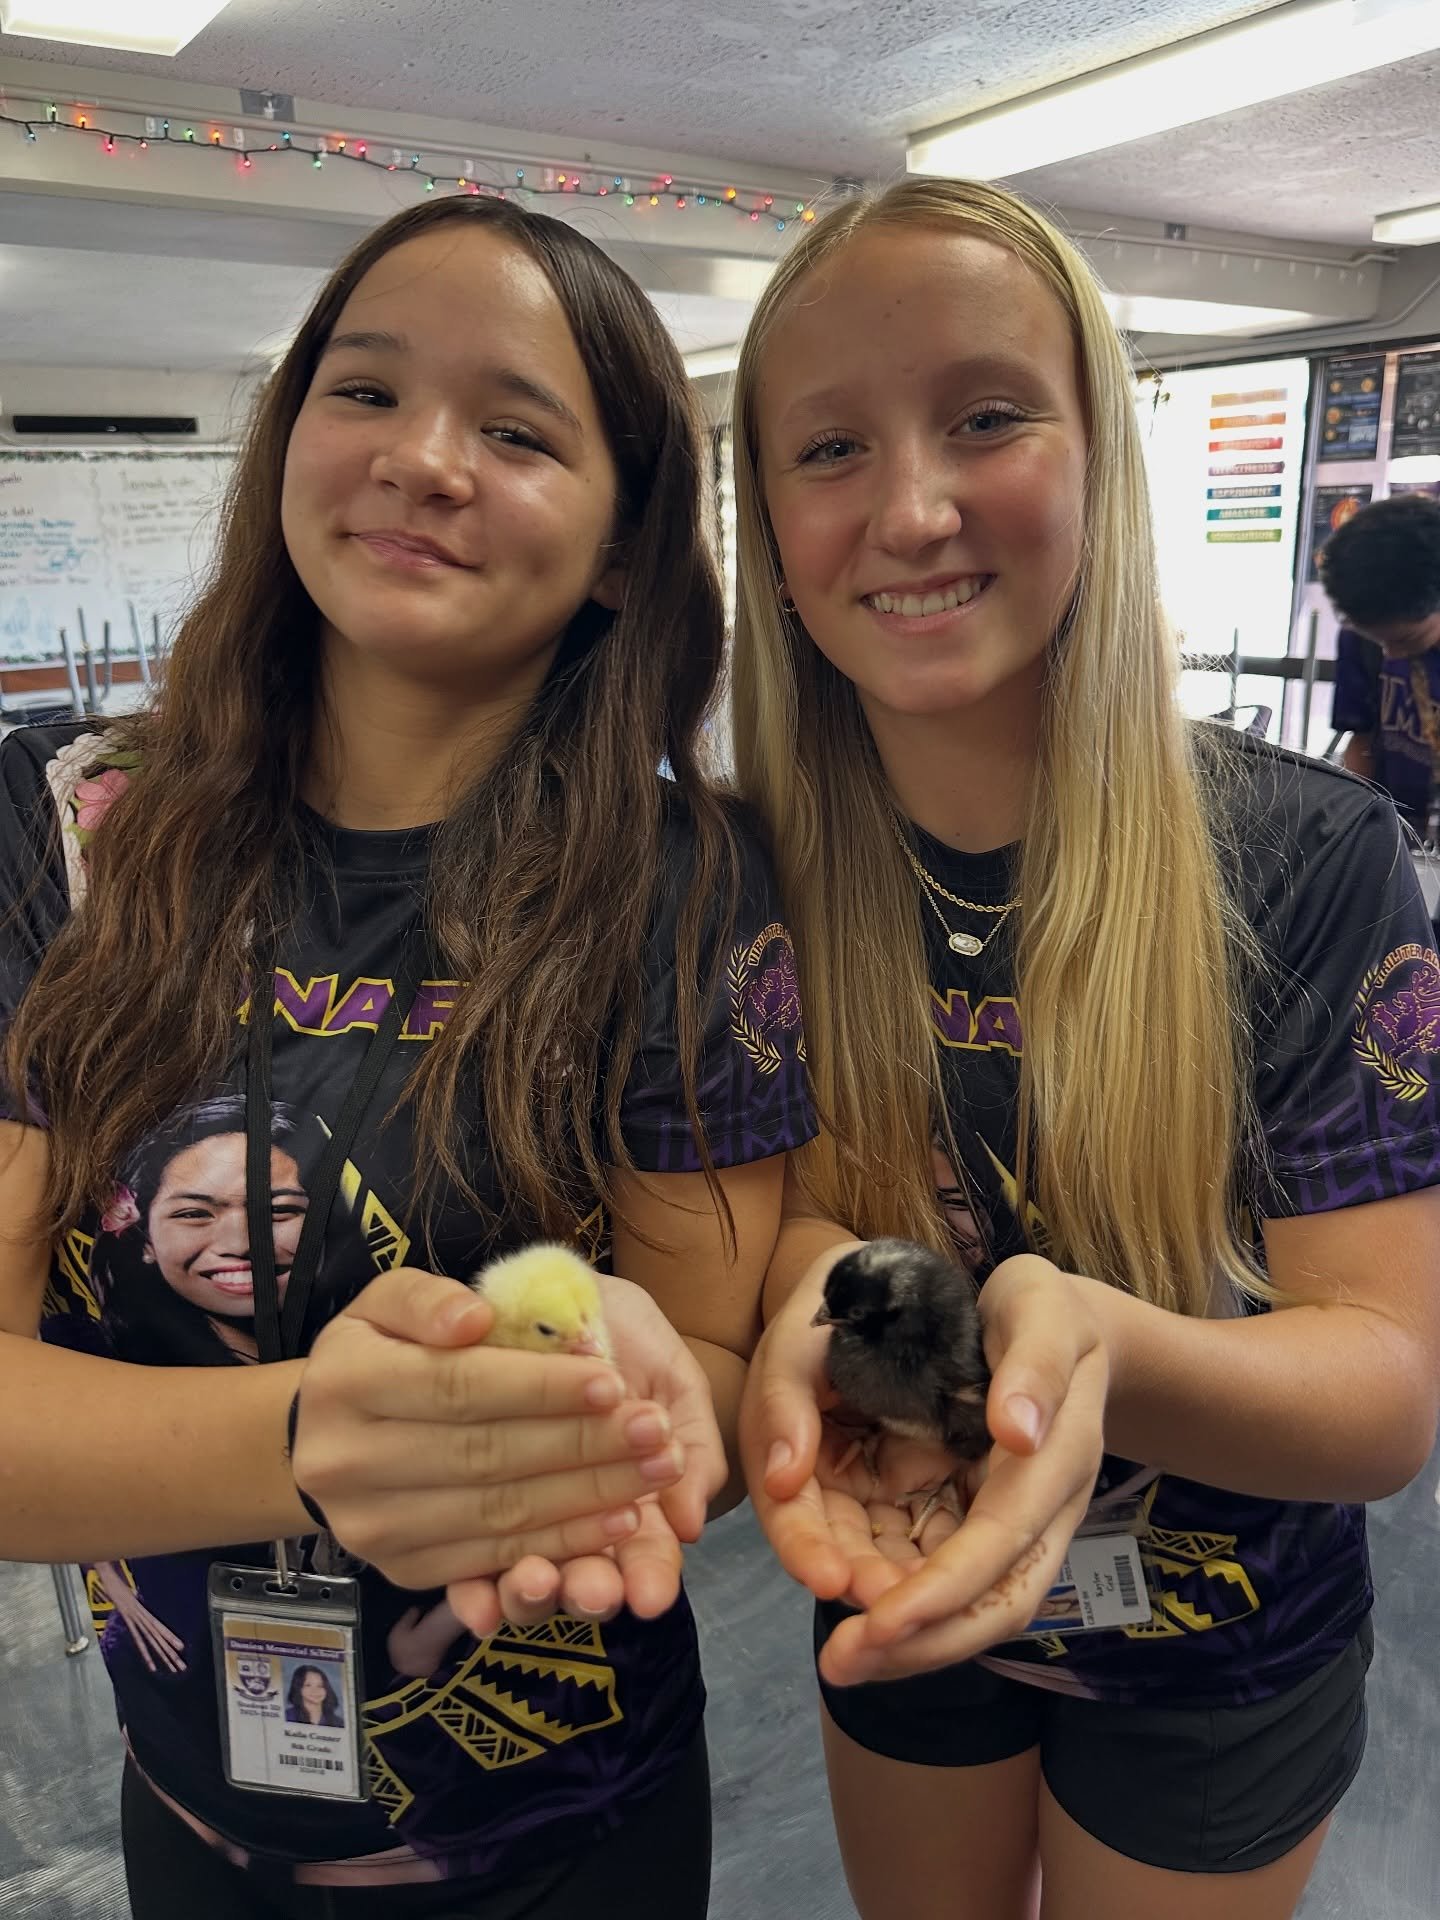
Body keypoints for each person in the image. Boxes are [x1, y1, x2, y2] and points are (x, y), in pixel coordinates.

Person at [0, 193, 814, 1918]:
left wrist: (644, 1415)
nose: (422, 460)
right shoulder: (64, 832)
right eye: (364, 391)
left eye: (517, 432)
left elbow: (717, 1367)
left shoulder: (691, 890)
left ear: (621, 548)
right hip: (189, 1819)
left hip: (567, 1842)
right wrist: (317, 1433)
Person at [731, 179, 1440, 1920]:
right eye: (830, 449)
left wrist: (1095, 1341)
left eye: (986, 417)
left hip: (1222, 1640)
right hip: (904, 1575)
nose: (911, 509)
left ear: (1100, 457)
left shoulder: (1305, 857)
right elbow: (793, 1216)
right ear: (765, 517)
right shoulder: (742, 869)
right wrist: (834, 1315)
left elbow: (1382, 1398)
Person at [1322, 492, 1440, 836]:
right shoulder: (1360, 636)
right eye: (1379, 640)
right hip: (1395, 831)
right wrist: (1355, 826)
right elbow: (1363, 740)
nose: (1391, 655)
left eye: (1405, 640)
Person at [287, 1664, 345, 1730]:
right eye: (308, 1685)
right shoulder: (288, 1717)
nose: (315, 1691)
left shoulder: (338, 1723)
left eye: (320, 1686)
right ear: (298, 1687)